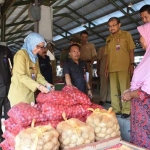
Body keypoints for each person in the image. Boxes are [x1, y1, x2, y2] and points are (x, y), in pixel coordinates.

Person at [122, 22, 150, 149]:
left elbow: (145, 92)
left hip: (145, 115)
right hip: (140, 114)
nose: (139, 40)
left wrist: (129, 94)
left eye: (141, 36)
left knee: (145, 140)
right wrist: (130, 89)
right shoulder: (147, 57)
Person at [8, 32, 53, 107]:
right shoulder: (21, 54)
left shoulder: (35, 57)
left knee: (31, 116)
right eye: (38, 46)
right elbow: (21, 76)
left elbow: (38, 75)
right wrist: (39, 86)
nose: (39, 50)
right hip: (19, 94)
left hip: (30, 94)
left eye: (41, 47)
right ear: (31, 43)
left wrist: (45, 83)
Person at [105, 17, 135, 118]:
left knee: (125, 89)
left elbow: (131, 50)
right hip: (112, 68)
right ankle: (116, 109)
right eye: (110, 26)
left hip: (124, 67)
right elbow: (108, 55)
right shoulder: (108, 39)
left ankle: (126, 110)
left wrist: (131, 64)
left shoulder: (126, 35)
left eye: (114, 25)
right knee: (113, 89)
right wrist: (106, 68)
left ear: (119, 25)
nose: (112, 28)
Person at [0, 45, 13, 141]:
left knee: (10, 115)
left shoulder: (5, 50)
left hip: (8, 89)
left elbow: (12, 67)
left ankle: (9, 138)